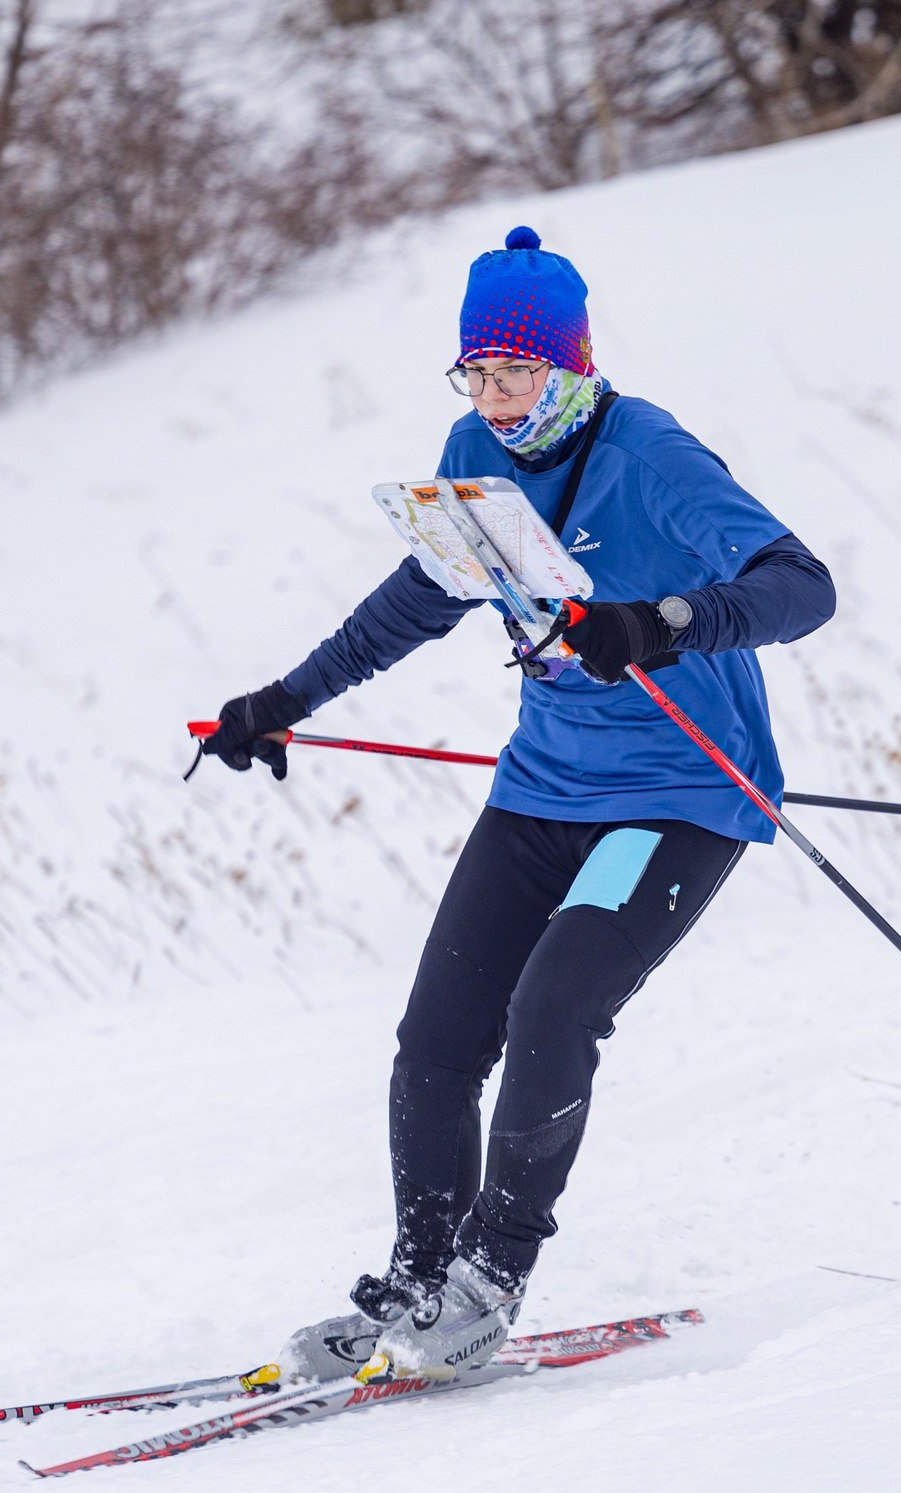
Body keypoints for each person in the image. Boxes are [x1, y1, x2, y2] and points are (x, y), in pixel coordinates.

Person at [197, 227, 835, 1380]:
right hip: (541, 790)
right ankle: (421, 1276)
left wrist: (659, 622)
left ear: (573, 365)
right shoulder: (470, 451)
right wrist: (284, 698)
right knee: (436, 1041)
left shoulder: (649, 454)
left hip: (679, 795)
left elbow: (801, 587)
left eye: (518, 373)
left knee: (552, 1008)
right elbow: (426, 592)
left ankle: (491, 1279)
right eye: (476, 373)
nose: (494, 399)